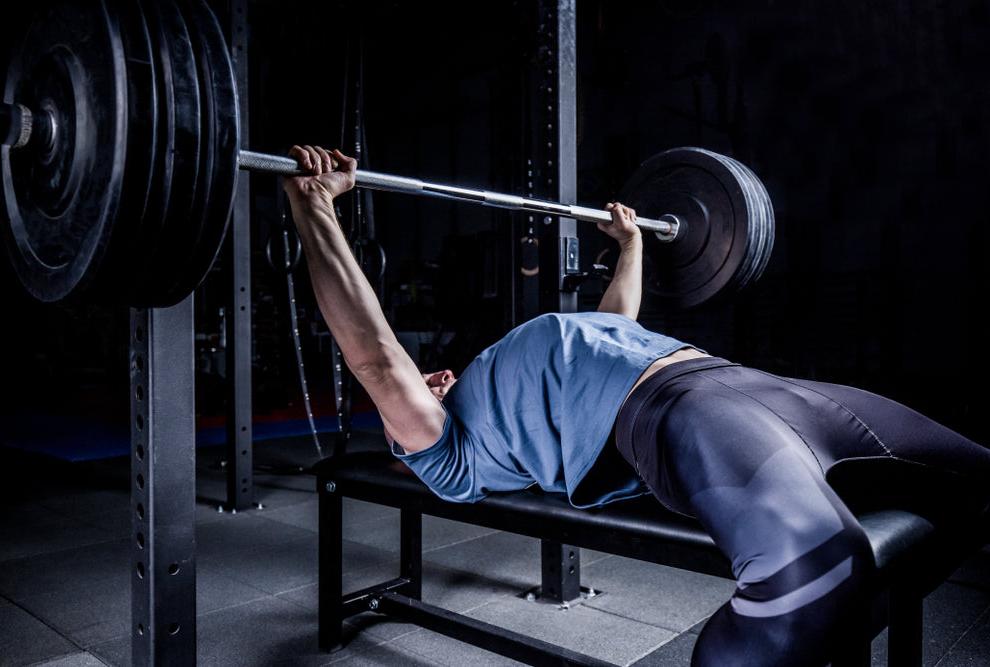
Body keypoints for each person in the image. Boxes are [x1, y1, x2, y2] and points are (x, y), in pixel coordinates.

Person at [282, 145, 990, 666]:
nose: (425, 378)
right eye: (405, 400)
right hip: (686, 412)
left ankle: (840, 632)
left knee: (978, 481)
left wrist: (631, 244)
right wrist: (314, 207)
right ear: (407, 440)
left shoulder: (517, 375)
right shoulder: (450, 454)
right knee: (818, 568)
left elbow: (616, 324)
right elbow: (374, 353)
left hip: (753, 383)